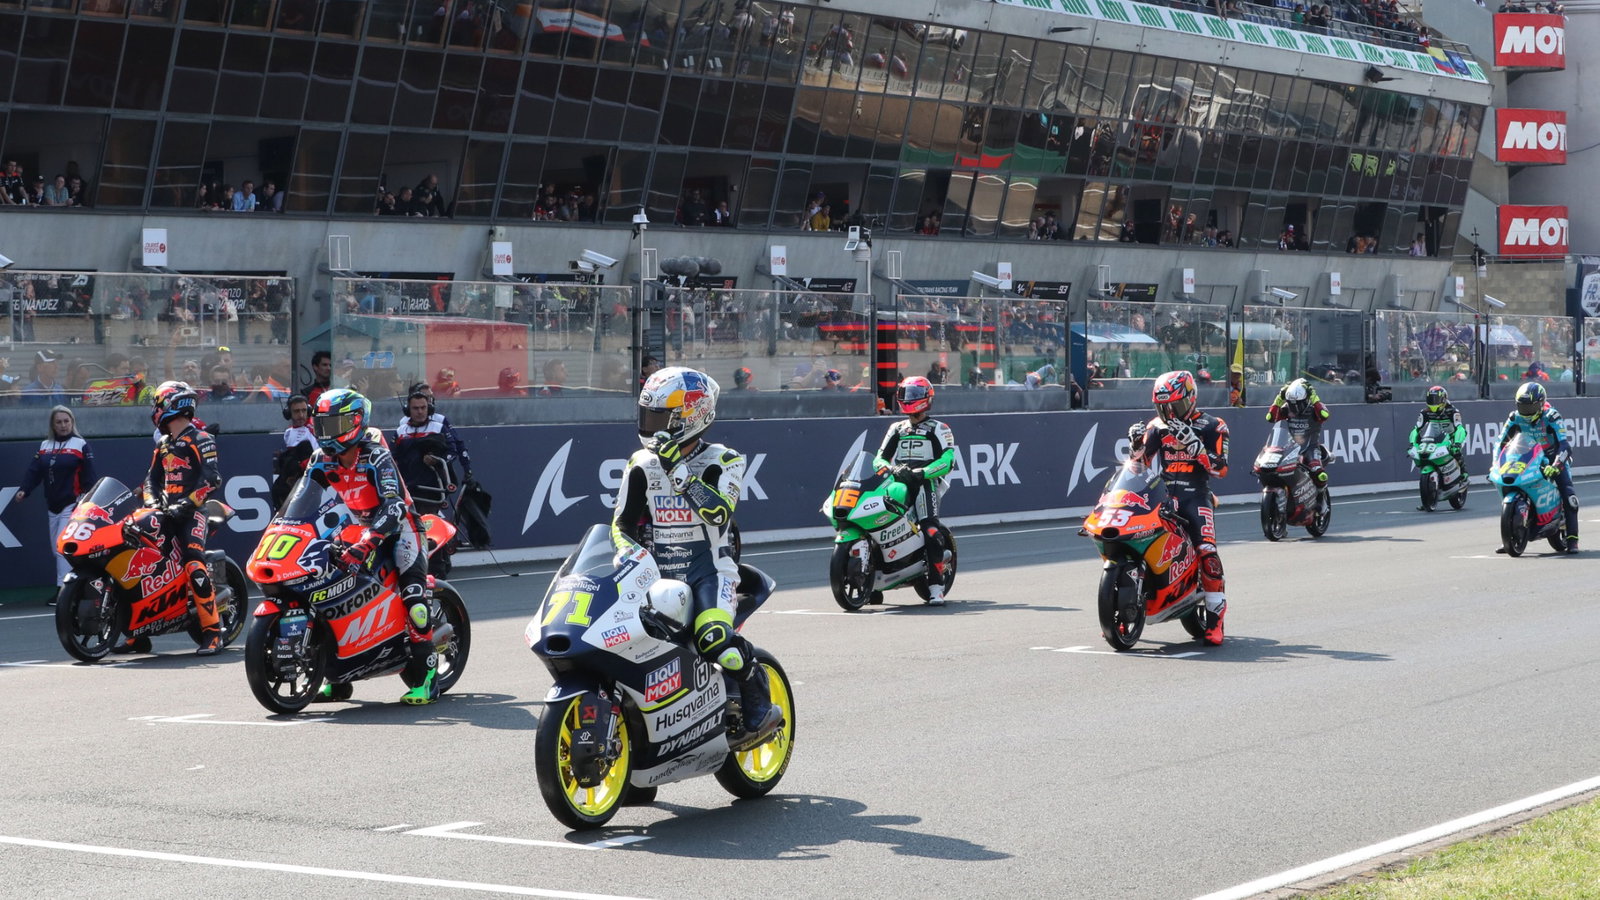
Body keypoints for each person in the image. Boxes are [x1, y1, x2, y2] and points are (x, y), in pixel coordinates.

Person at [611, 367, 782, 751]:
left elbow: (719, 514)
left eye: (661, 419)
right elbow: (622, 523)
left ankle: (757, 695)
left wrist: (680, 472)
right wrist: (627, 552)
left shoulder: (725, 460)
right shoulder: (640, 463)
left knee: (714, 639)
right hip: (655, 576)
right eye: (648, 416)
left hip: (710, 574)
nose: (651, 427)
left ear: (691, 417)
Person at [304, 389, 441, 702]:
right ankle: (338, 678)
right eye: (322, 425)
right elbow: (302, 500)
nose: (326, 432)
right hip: (359, 528)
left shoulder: (375, 456)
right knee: (329, 593)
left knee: (414, 600)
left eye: (334, 424)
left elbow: (394, 506)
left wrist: (367, 544)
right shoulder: (320, 459)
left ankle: (428, 681)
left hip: (403, 529)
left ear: (356, 421)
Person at [1127, 371, 1229, 644]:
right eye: (1163, 407)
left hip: (1196, 496)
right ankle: (1122, 606)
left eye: (1175, 405)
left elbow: (1221, 469)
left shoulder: (1213, 425)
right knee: (1136, 538)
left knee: (1207, 552)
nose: (1170, 412)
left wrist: (1196, 447)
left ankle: (1216, 620)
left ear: (1191, 398)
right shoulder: (1156, 426)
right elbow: (1138, 466)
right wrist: (1135, 446)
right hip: (1163, 495)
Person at [135, 382, 224, 654]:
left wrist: (185, 504)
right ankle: (137, 634)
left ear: (171, 404)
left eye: (158, 404)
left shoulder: (201, 438)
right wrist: (152, 503)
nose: (155, 410)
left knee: (193, 562)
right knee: (141, 561)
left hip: (193, 513)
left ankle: (213, 632)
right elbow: (150, 480)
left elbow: (212, 480)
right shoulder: (163, 443)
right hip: (164, 512)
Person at [871, 376, 957, 605]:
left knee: (931, 531)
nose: (909, 399)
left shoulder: (940, 428)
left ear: (927, 398)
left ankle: (936, 587)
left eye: (915, 395)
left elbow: (948, 460)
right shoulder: (896, 428)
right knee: (878, 523)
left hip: (924, 484)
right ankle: (871, 579)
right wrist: (889, 469)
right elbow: (879, 458)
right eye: (906, 394)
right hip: (896, 483)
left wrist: (923, 472)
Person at [16, 406, 96, 604]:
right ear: (53, 425)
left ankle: (63, 591)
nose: (63, 425)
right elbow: (34, 471)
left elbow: (89, 476)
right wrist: (24, 490)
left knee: (62, 549)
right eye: (58, 422)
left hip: (73, 504)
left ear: (72, 422)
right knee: (56, 550)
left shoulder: (80, 444)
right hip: (53, 505)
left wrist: (87, 500)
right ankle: (80, 586)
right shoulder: (45, 445)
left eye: (66, 421)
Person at [1497, 382, 1578, 554]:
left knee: (1569, 495)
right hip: (1527, 456)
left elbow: (1565, 445)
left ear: (1541, 404)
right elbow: (1501, 443)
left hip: (1552, 457)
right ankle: (1509, 534)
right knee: (1507, 483)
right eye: (1523, 407)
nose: (1526, 412)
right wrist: (1496, 464)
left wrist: (1556, 465)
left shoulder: (1552, 416)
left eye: (1530, 407)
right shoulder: (1514, 417)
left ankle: (1572, 540)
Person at [392, 388, 472, 515]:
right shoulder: (400, 431)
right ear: (408, 410)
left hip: (431, 489)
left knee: (427, 523)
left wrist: (438, 461)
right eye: (415, 408)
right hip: (406, 489)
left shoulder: (439, 428)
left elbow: (452, 451)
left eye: (423, 408)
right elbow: (391, 457)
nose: (420, 411)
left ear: (429, 408)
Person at [1409, 385, 1467, 509]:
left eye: (1435, 400)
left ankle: (1463, 475)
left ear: (1443, 399)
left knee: (1456, 453)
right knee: (1424, 456)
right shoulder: (1425, 412)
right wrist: (1413, 443)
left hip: (1451, 437)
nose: (1433, 403)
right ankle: (1428, 497)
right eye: (1431, 400)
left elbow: (1460, 429)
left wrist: (1457, 443)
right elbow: (1416, 429)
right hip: (1434, 437)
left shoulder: (1453, 411)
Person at [1266, 377, 1330, 483]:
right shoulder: (1287, 408)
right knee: (1274, 471)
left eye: (1298, 403)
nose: (1295, 407)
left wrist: (1314, 397)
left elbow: (1325, 415)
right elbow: (1270, 418)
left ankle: (1321, 491)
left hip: (1310, 448)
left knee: (1319, 473)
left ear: (1306, 399)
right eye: (1292, 404)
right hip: (1291, 449)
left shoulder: (1315, 408)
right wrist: (1279, 399)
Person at [271, 394, 315, 511]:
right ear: (289, 413)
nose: (301, 415)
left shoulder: (315, 429)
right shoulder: (288, 433)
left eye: (304, 410)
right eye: (296, 411)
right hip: (293, 484)